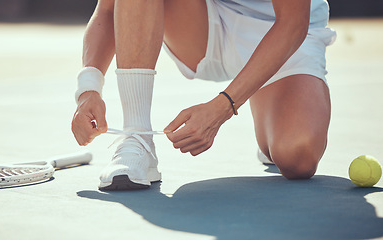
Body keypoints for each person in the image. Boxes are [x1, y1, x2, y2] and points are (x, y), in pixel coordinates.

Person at [71, 0, 336, 191]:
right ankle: (137, 138)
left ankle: (263, 90)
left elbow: (292, 23)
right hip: (205, 20)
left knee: (297, 156)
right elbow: (108, 8)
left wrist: (223, 107)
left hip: (282, 29)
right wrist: (88, 88)